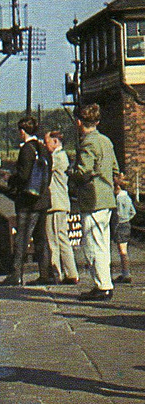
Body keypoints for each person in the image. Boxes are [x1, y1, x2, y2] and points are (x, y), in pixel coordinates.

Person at [68, 103, 120, 300]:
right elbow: (115, 169)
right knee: (103, 244)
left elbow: (83, 171)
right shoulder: (106, 141)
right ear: (96, 122)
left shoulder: (88, 143)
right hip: (106, 199)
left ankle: (102, 286)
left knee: (92, 245)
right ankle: (105, 283)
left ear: (79, 122)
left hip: (92, 200)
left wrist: (70, 172)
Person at [0, 115, 52, 286]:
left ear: (22, 132)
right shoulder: (43, 148)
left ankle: (16, 275)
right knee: (41, 239)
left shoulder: (27, 150)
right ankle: (46, 274)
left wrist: (10, 178)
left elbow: (23, 176)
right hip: (42, 200)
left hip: (28, 203)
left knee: (22, 239)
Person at [44, 131, 78, 284]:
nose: (45, 146)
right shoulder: (61, 156)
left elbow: (44, 169)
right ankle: (69, 272)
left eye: (47, 142)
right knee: (61, 238)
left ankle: (59, 273)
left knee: (55, 239)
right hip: (59, 203)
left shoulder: (57, 157)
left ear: (55, 141)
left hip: (55, 203)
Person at [113, 173, 137, 284]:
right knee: (124, 250)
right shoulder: (127, 197)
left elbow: (118, 214)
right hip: (127, 224)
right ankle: (125, 273)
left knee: (122, 251)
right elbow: (133, 212)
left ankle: (126, 274)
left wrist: (116, 225)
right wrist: (127, 218)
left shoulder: (118, 199)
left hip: (120, 225)